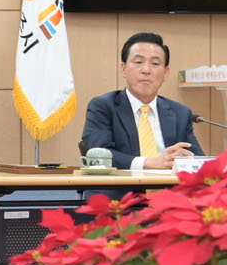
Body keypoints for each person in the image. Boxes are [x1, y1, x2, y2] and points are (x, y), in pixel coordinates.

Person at [80, 31, 203, 171]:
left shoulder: (180, 113)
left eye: (155, 63)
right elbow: (99, 156)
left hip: (169, 185)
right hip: (121, 185)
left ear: (165, 73)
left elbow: (197, 159)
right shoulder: (103, 107)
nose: (146, 70)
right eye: (138, 62)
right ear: (123, 68)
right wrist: (151, 162)